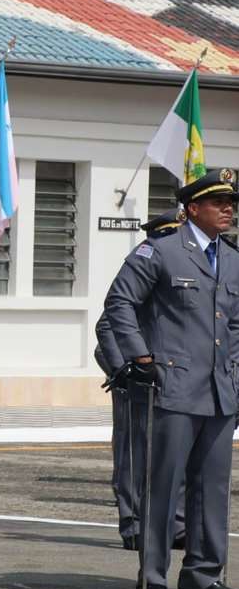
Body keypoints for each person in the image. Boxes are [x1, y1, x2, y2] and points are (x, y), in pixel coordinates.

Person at [105, 168, 239, 589]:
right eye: (218, 202)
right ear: (192, 208)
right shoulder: (160, 251)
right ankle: (154, 575)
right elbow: (120, 302)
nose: (228, 209)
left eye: (230, 203)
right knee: (165, 486)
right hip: (174, 387)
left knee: (212, 488)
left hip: (220, 391)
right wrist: (140, 357)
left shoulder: (233, 257)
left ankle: (202, 572)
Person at [96, 208, 186, 552]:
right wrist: (124, 369)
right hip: (135, 380)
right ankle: (132, 522)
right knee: (134, 455)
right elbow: (106, 326)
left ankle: (176, 525)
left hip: (172, 380)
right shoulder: (141, 274)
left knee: (174, 454)